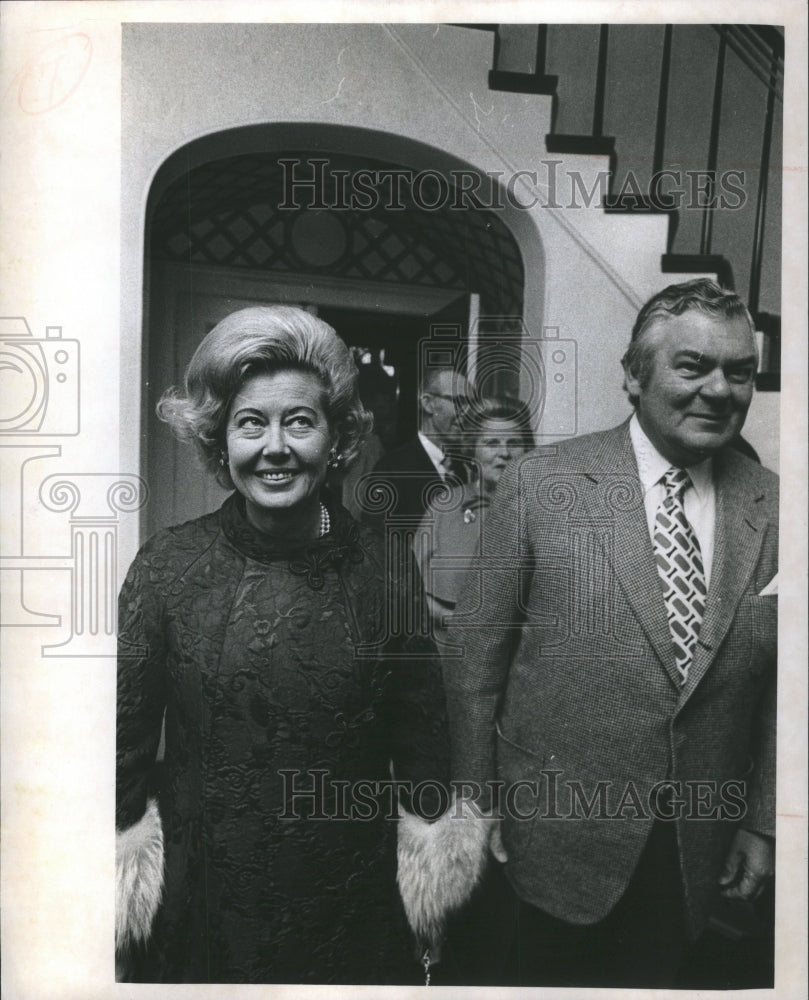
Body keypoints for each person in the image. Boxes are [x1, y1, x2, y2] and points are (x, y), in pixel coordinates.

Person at [444, 279, 778, 988]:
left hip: (695, 851)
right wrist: (478, 802)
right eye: (691, 366)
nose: (719, 390)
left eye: (740, 373)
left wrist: (761, 822)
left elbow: (788, 688)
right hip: (547, 845)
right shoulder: (542, 484)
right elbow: (474, 660)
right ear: (632, 375)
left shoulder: (778, 506)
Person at [114, 305, 454, 984]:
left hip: (348, 912)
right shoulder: (167, 569)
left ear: (336, 439)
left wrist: (428, 896)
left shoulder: (384, 567)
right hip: (201, 907)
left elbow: (423, 753)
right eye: (250, 423)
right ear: (218, 442)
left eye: (299, 421)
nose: (276, 447)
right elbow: (118, 756)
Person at [414, 395, 534, 643]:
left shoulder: (540, 511)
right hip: (447, 649)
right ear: (472, 449)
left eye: (514, 442)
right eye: (491, 442)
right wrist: (456, 622)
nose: (504, 452)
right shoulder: (445, 506)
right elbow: (410, 588)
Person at [369, 365, 470, 522]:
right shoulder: (392, 469)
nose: (467, 412)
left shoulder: (464, 469)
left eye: (470, 404)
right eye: (459, 401)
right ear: (428, 403)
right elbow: (374, 540)